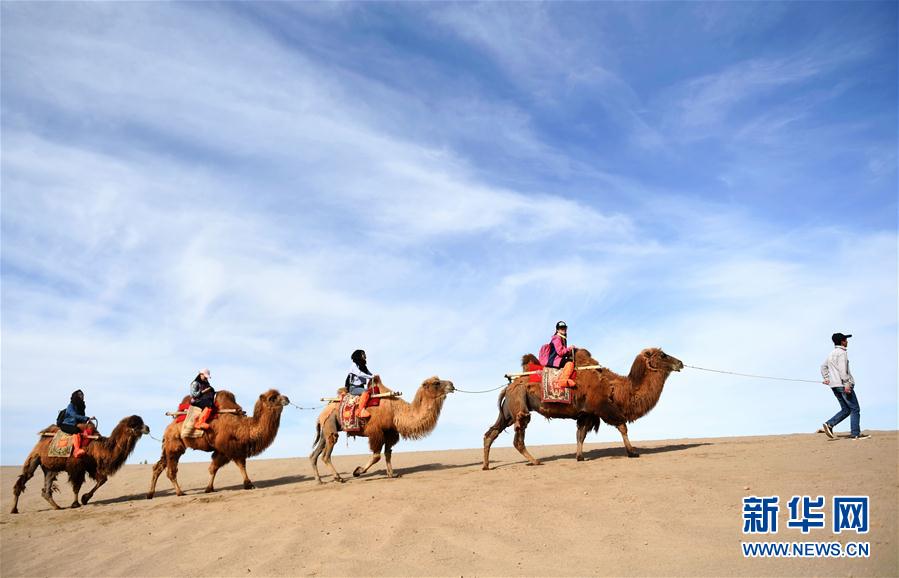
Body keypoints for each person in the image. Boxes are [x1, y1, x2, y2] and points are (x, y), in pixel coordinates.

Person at [820, 333, 869, 440]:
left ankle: (829, 424)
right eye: (846, 340)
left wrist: (827, 378)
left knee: (846, 409)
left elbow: (823, 367)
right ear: (842, 341)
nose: (847, 341)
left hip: (834, 386)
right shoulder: (842, 353)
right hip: (843, 385)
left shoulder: (831, 353)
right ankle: (855, 434)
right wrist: (847, 384)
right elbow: (843, 370)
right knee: (855, 409)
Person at [59, 390, 94, 458]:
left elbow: (80, 417)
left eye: (82, 394)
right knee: (76, 431)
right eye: (80, 395)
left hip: (75, 424)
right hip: (67, 424)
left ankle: (83, 448)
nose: (82, 396)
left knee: (89, 431)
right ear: (76, 396)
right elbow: (74, 415)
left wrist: (88, 420)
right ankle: (76, 450)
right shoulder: (70, 406)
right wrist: (86, 418)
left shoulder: (81, 406)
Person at [546, 321, 576, 388]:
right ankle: (563, 381)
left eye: (564, 328)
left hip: (558, 359)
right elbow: (560, 352)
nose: (563, 329)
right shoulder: (557, 338)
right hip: (555, 360)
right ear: (557, 330)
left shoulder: (562, 338)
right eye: (561, 328)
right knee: (570, 363)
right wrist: (569, 348)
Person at [345, 350, 374, 419]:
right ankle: (360, 411)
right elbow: (359, 373)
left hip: (360, 387)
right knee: (366, 391)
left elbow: (369, 374)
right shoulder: (354, 366)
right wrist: (371, 377)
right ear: (359, 356)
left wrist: (375, 376)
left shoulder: (363, 366)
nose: (364, 355)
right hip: (354, 388)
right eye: (363, 354)